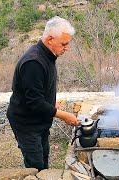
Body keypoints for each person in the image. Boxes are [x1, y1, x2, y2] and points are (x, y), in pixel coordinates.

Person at [6, 16, 80, 171]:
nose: (67, 48)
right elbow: (34, 102)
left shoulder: (48, 55)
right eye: (64, 44)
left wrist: (51, 102)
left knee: (44, 157)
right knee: (35, 165)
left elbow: (38, 91)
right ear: (50, 39)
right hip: (26, 123)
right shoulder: (34, 62)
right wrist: (64, 115)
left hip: (40, 121)